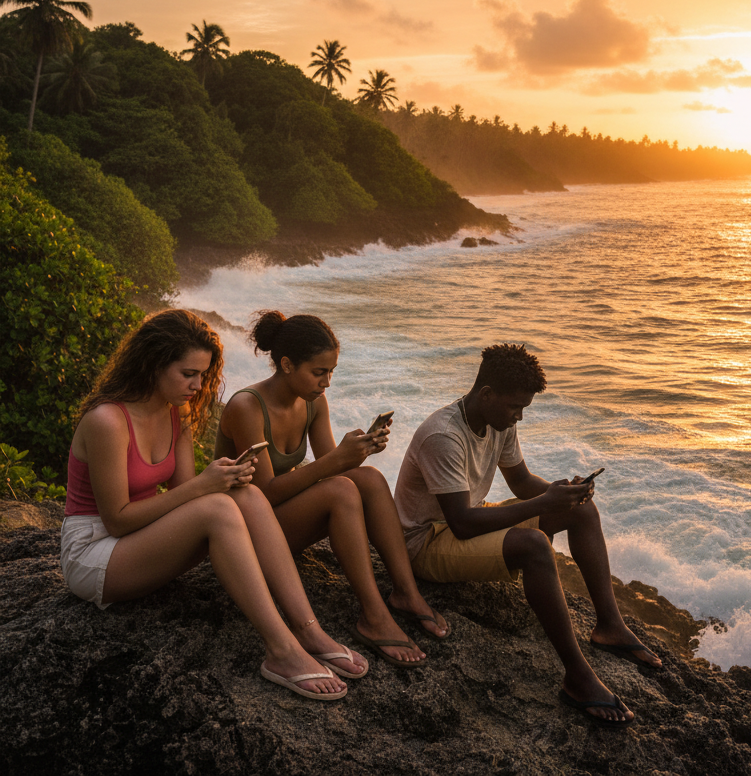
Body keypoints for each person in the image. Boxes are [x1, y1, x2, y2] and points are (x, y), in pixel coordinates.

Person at [61, 309, 366, 701]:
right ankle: (281, 650)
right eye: (188, 374)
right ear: (154, 364)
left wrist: (220, 481)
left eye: (203, 375)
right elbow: (117, 520)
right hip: (94, 551)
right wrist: (206, 486)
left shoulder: (177, 413)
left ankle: (308, 629)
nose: (197, 384)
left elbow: (186, 491)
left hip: (141, 538)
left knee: (248, 493)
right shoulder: (107, 421)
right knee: (219, 509)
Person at [395, 343, 662, 727]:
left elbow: (520, 482)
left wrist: (562, 495)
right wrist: (543, 503)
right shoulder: (443, 436)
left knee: (581, 511)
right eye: (514, 407)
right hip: (425, 542)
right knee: (534, 547)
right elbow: (462, 524)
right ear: (487, 394)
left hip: (465, 520)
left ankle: (609, 626)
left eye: (524, 409)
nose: (519, 416)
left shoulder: (497, 422)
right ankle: (577, 677)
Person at [216, 310, 448, 668]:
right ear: (288, 365)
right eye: (319, 372)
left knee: (368, 479)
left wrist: (360, 450)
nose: (327, 382)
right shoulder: (248, 406)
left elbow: (331, 465)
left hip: (278, 520)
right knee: (341, 491)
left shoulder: (312, 402)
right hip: (246, 528)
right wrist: (337, 460)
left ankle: (407, 593)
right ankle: (373, 616)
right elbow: (265, 493)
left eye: (332, 372)